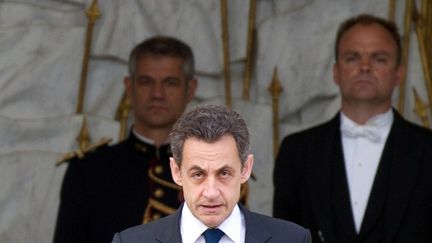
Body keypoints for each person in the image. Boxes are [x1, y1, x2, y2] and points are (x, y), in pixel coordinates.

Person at [273, 13, 432, 243]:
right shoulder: (296, 152)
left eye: (379, 58)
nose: (365, 67)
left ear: (399, 73)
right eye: (352, 57)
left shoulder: (428, 150)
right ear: (336, 72)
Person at [53, 36, 198, 243]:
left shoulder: (214, 172)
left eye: (170, 83)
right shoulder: (88, 170)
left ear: (190, 89)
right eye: (146, 82)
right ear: (129, 88)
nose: (157, 94)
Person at [112, 104, 311, 243]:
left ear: (245, 169)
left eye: (224, 173)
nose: (211, 192)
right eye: (198, 174)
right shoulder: (130, 241)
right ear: (176, 171)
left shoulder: (292, 239)